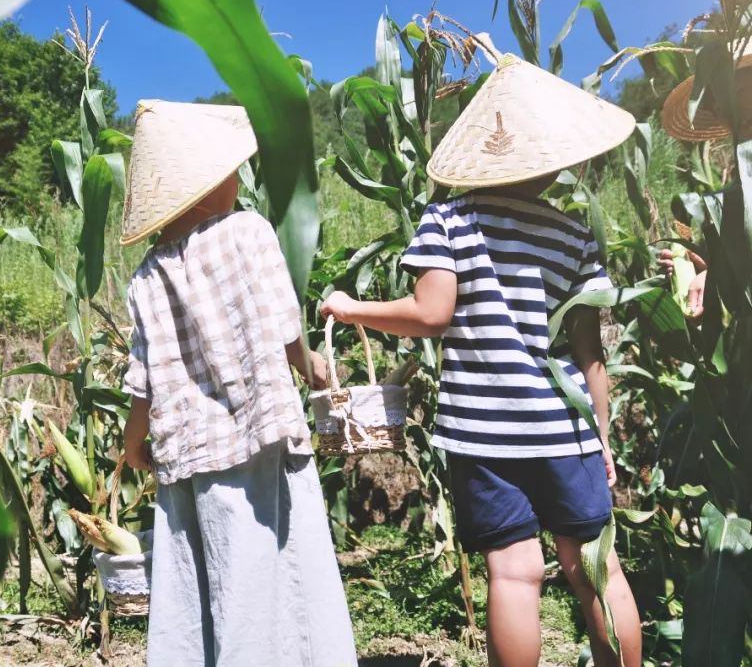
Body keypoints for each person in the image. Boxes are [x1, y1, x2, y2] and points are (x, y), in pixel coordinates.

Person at [320, 55, 642, 667]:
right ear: (551, 161)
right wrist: (601, 435)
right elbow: (590, 354)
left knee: (515, 574)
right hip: (563, 429)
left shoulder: (450, 219)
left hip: (482, 432)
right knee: (594, 568)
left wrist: (351, 306)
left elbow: (431, 313)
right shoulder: (575, 236)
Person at [119, 100, 357, 667]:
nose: (237, 180)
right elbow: (282, 324)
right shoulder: (247, 232)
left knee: (197, 583)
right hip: (257, 440)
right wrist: (310, 365)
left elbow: (143, 379)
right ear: (205, 187)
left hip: (188, 456)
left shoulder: (146, 276)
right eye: (230, 172)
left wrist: (133, 442)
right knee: (270, 577)